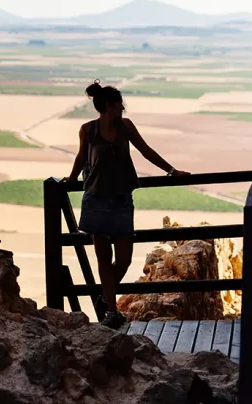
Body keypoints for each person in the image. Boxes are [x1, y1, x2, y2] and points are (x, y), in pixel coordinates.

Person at [64, 81, 189, 328]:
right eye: (120, 103)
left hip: (121, 199)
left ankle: (104, 296)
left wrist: (171, 171)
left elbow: (145, 150)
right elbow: (81, 157)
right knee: (103, 257)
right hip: (96, 198)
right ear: (109, 106)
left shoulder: (126, 127)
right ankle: (111, 310)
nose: (123, 107)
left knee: (124, 259)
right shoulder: (88, 130)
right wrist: (70, 179)